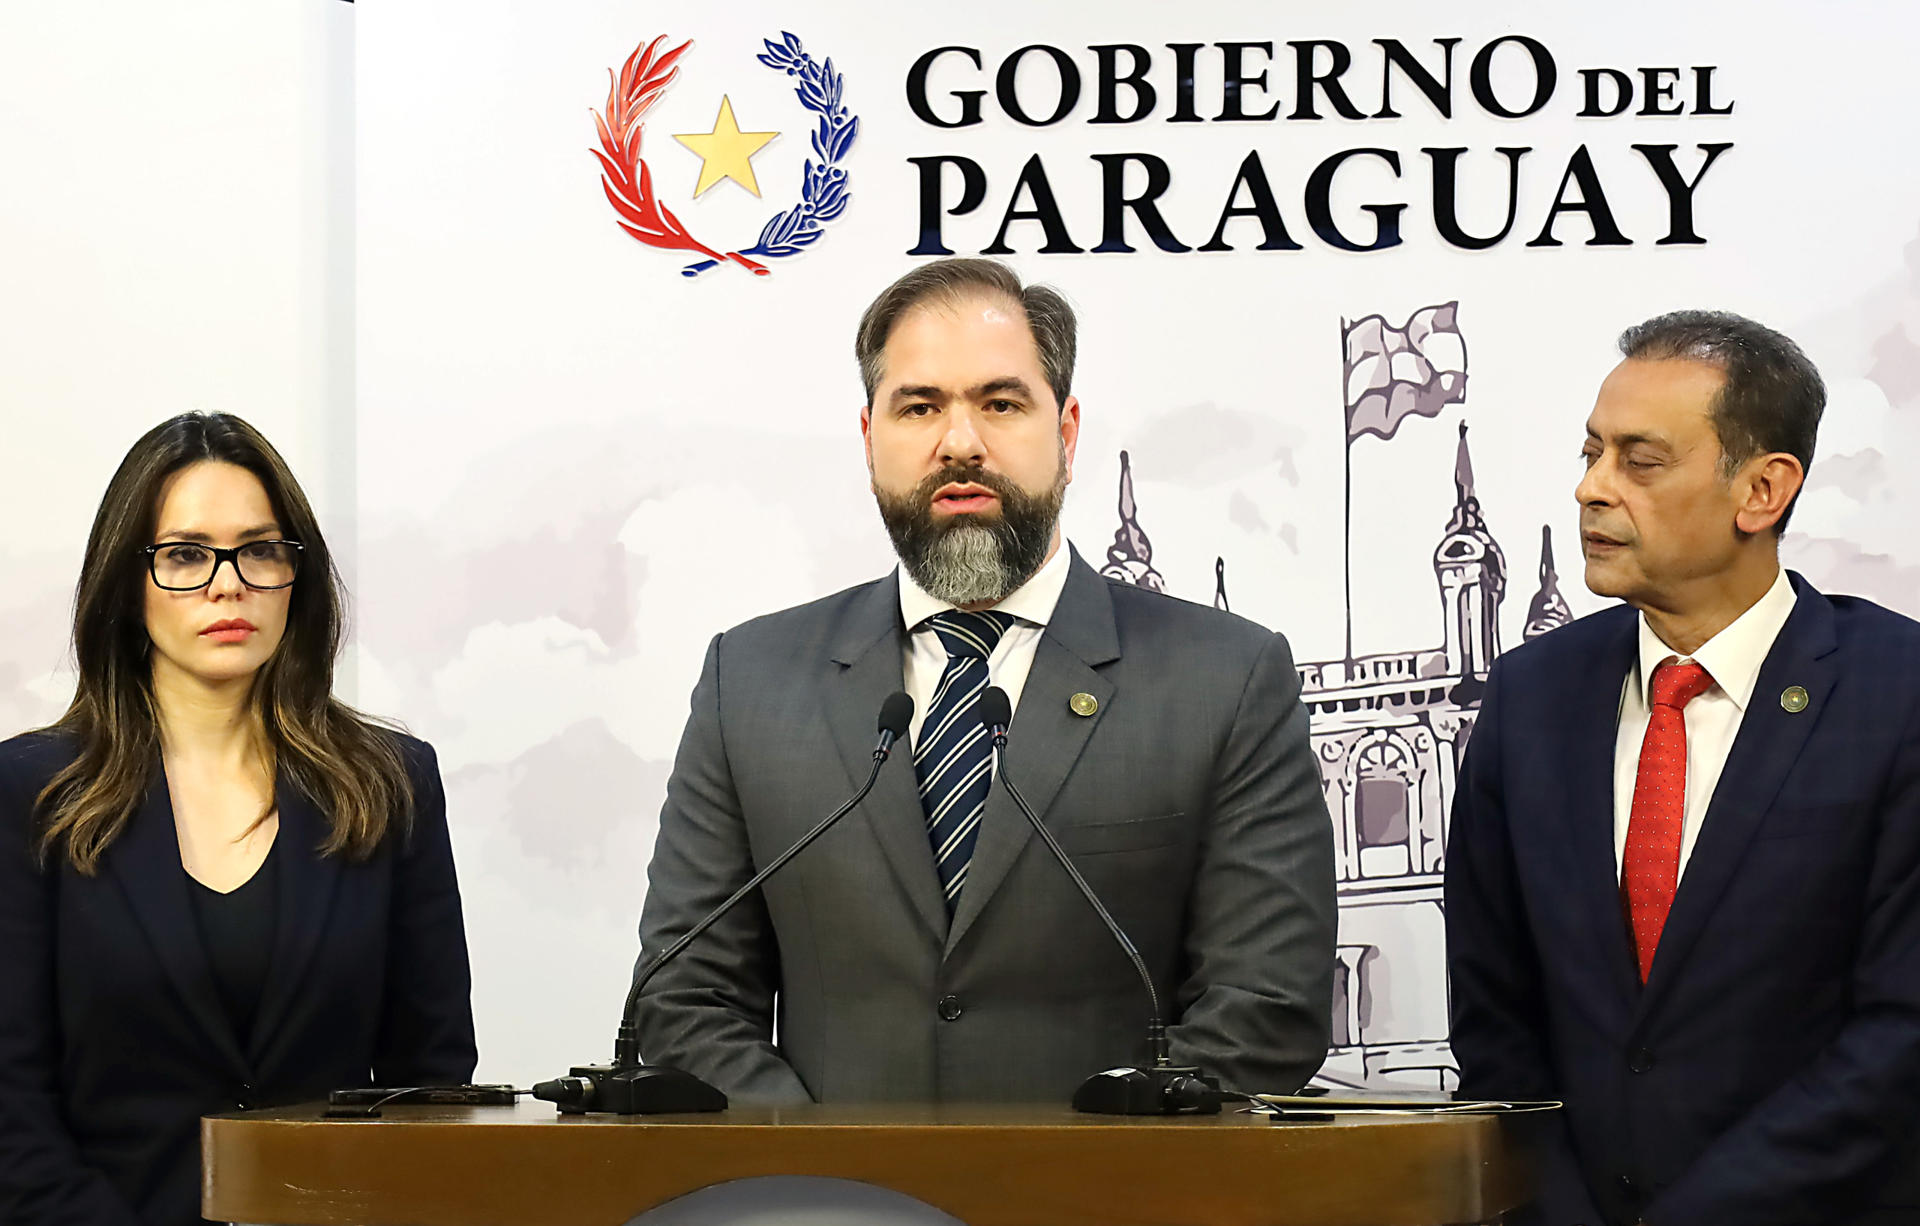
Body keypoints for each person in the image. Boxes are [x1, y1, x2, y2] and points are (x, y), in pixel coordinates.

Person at [635, 257, 1336, 1104]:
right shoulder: (748, 682)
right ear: (869, 441)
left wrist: (1062, 1182)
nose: (960, 442)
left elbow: (1265, 1009)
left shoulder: (1225, 680)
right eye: (920, 406)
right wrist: (829, 1178)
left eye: (1001, 404)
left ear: (1067, 434)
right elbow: (686, 999)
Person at [1445, 311, 1920, 1225]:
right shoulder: (1529, 697)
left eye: (1640, 460)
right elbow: (1496, 1016)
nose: (1591, 488)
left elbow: (1901, 1035)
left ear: (1763, 490)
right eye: (1590, 453)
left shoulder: (1895, 697)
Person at [0, 413, 477, 1226]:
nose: (230, 585)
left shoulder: (391, 782)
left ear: (299, 576)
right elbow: (10, 1106)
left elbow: (430, 1082)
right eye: (185, 555)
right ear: (127, 581)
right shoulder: (30, 792)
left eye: (260, 550)